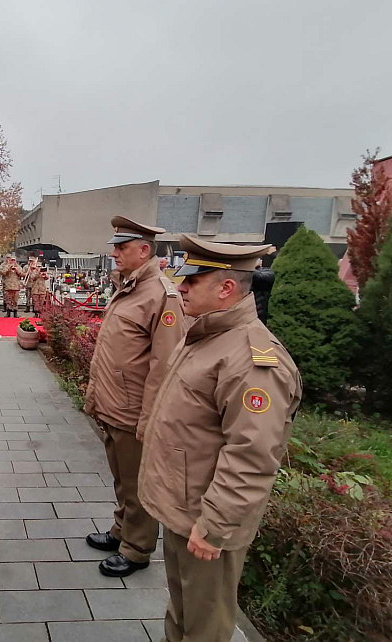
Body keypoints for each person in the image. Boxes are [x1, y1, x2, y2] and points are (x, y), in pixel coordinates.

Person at [139, 235, 302, 642]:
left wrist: (216, 526)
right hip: (184, 508)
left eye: (193, 280)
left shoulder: (251, 360)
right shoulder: (207, 335)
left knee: (205, 626)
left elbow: (252, 456)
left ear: (226, 288)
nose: (181, 287)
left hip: (207, 520)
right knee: (183, 611)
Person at [83, 216, 186, 577]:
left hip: (134, 410)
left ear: (144, 250)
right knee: (122, 478)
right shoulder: (130, 286)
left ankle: (137, 548)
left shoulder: (161, 295)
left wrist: (149, 418)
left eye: (121, 247)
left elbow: (165, 365)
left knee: (138, 483)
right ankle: (121, 530)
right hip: (114, 405)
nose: (114, 253)